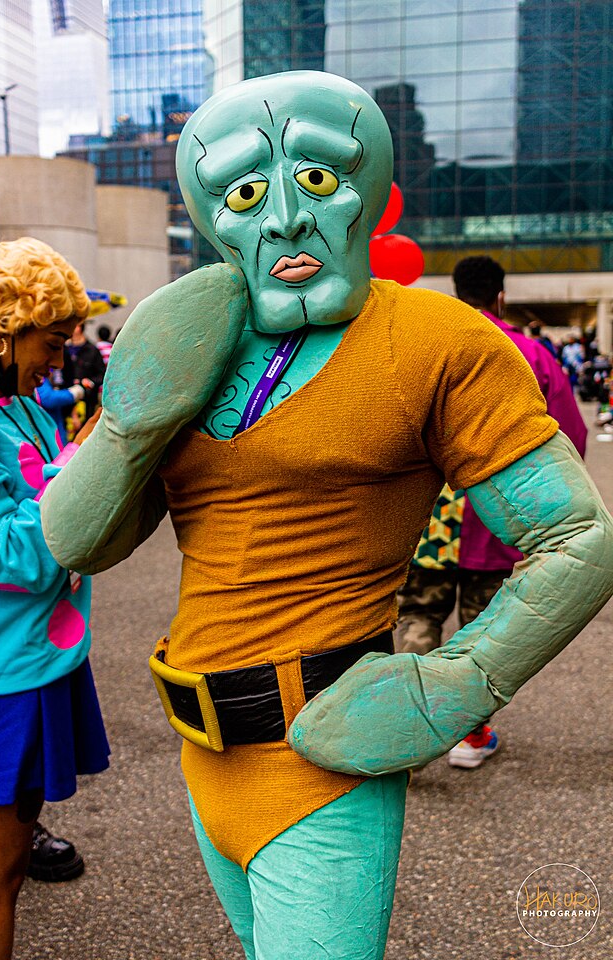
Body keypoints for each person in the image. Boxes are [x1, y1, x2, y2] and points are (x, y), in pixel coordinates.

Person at [40, 73, 613, 960]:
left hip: (324, 760)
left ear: (375, 192)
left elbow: (576, 536)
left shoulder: (437, 341)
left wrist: (459, 679)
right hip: (201, 751)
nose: (283, 218)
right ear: (211, 216)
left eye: (314, 179)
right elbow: (79, 541)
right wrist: (127, 427)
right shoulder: (198, 336)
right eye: (243, 190)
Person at [0, 237, 110, 960]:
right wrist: (79, 473)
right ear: (3, 328)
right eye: (52, 341)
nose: (60, 358)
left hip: (34, 661)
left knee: (10, 866)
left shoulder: (21, 407)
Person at [397, 255, 588, 768]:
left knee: (417, 619)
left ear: (458, 293)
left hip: (430, 524)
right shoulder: (533, 354)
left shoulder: (427, 346)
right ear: (500, 297)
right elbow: (570, 437)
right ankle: (470, 736)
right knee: (484, 636)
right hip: (499, 524)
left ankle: (405, 736)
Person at [63, 320, 105, 419]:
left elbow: (102, 374)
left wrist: (90, 382)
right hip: (66, 398)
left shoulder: (92, 350)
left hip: (86, 400)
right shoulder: (65, 349)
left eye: (75, 326)